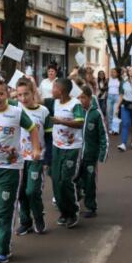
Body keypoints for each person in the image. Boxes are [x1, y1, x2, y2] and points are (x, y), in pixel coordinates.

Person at [0, 78, 39, 263]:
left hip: (10, 168)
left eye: (1, 94)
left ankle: (4, 248)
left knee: (5, 210)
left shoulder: (16, 112)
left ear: (7, 95)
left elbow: (33, 128)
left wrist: (36, 149)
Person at [45, 78, 84, 228]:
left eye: (54, 87)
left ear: (61, 90)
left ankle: (72, 212)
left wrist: (61, 121)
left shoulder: (75, 104)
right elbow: (37, 101)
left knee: (65, 180)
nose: (51, 90)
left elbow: (80, 123)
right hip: (57, 147)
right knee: (56, 180)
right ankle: (64, 212)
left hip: (72, 148)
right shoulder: (53, 102)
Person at [14, 78, 51, 235]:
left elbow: (49, 137)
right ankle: (25, 222)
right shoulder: (14, 110)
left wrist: (47, 159)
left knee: (32, 191)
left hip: (36, 158)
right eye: (19, 95)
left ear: (33, 92)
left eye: (26, 94)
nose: (23, 98)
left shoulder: (43, 111)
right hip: (18, 159)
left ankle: (38, 218)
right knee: (21, 192)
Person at [77, 85, 108, 218]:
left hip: (90, 154)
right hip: (77, 154)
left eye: (83, 97)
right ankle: (75, 200)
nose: (81, 100)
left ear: (90, 98)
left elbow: (103, 134)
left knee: (90, 181)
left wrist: (103, 153)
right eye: (79, 97)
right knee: (76, 179)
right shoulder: (77, 111)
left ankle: (91, 207)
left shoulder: (96, 114)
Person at [107, 68, 121, 134]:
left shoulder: (120, 80)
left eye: (114, 72)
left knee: (115, 113)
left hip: (117, 97)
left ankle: (115, 129)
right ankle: (110, 128)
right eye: (111, 72)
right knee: (109, 113)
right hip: (109, 97)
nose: (112, 73)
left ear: (117, 73)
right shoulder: (108, 79)